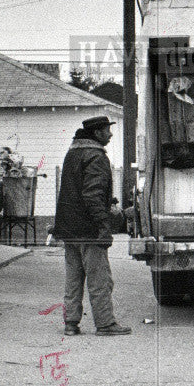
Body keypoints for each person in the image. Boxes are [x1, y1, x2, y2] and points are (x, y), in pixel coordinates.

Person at [54, 116, 131, 336]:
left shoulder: (73, 153)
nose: (110, 134)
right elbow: (92, 195)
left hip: (69, 228)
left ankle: (71, 323)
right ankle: (105, 324)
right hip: (89, 229)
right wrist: (103, 226)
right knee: (100, 279)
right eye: (107, 130)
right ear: (97, 133)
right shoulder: (96, 156)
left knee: (73, 278)